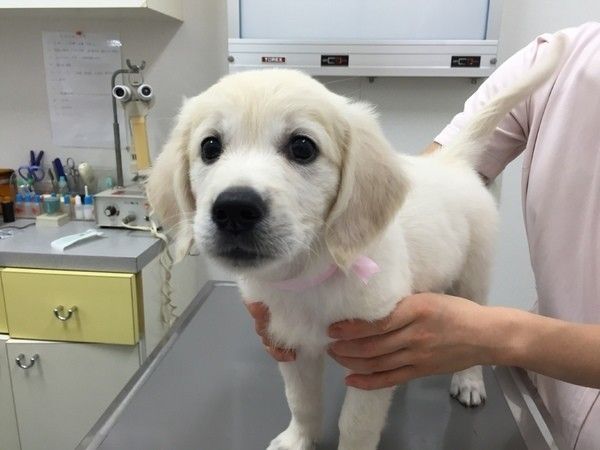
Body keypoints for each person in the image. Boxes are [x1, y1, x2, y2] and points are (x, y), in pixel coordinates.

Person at [247, 22, 600, 449]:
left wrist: (486, 343)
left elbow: (382, 361)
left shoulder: (469, 200)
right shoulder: (561, 52)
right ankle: (303, 427)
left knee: (467, 296)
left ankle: (468, 371)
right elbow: (438, 158)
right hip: (549, 400)